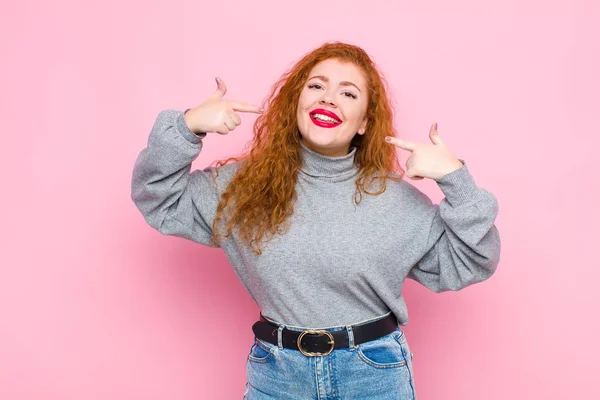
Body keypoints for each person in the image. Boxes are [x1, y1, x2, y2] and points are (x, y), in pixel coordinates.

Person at [131, 41, 501, 399]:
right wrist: (187, 127)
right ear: (297, 102)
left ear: (363, 123)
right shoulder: (241, 187)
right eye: (316, 86)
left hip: (372, 375)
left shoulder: (398, 201)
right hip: (277, 375)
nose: (328, 97)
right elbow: (158, 196)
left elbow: (473, 261)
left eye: (348, 93)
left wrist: (456, 180)